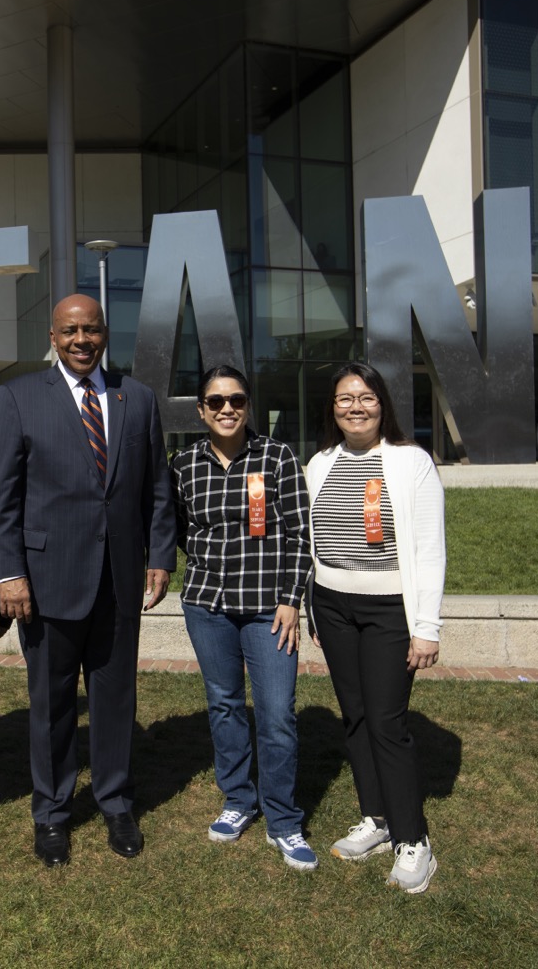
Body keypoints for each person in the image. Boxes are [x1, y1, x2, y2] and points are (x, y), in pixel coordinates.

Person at [0, 293, 177, 867]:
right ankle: (52, 812)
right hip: (45, 582)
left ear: (105, 332)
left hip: (119, 581)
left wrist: (160, 555)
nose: (82, 341)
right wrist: (11, 573)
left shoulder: (136, 398)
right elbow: (1, 495)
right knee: (51, 704)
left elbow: (156, 489)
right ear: (53, 334)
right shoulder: (17, 397)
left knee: (115, 700)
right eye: (70, 331)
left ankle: (115, 801)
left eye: (91, 330)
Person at [304, 361, 445, 894]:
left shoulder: (411, 462)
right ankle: (378, 821)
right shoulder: (320, 463)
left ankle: (414, 841)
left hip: (390, 611)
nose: (355, 407)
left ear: (382, 404)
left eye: (365, 397)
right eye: (344, 398)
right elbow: (313, 545)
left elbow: (429, 549)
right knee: (356, 718)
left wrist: (425, 626)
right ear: (332, 408)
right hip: (334, 606)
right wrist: (315, 608)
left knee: (387, 723)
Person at [170, 365, 317, 870]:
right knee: (225, 704)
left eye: (236, 399)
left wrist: (291, 598)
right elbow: (181, 529)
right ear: (201, 410)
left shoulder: (276, 457)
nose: (226, 408)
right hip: (207, 605)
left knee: (277, 714)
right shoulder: (184, 463)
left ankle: (283, 819)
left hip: (267, 608)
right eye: (215, 401)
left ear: (248, 405)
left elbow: (300, 534)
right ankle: (238, 800)